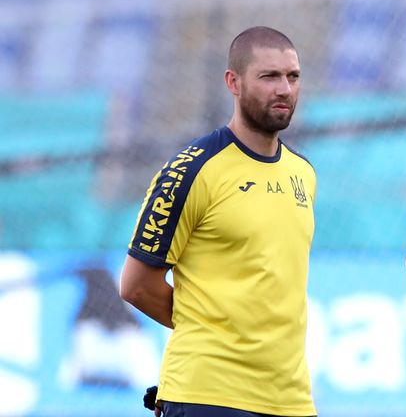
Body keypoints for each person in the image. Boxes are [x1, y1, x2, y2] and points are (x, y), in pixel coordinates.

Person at [119, 26, 317, 417]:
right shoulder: (192, 170)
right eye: (269, 76)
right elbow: (136, 286)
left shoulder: (303, 172)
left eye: (292, 77)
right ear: (233, 82)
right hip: (208, 394)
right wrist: (215, 329)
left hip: (290, 399)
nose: (284, 89)